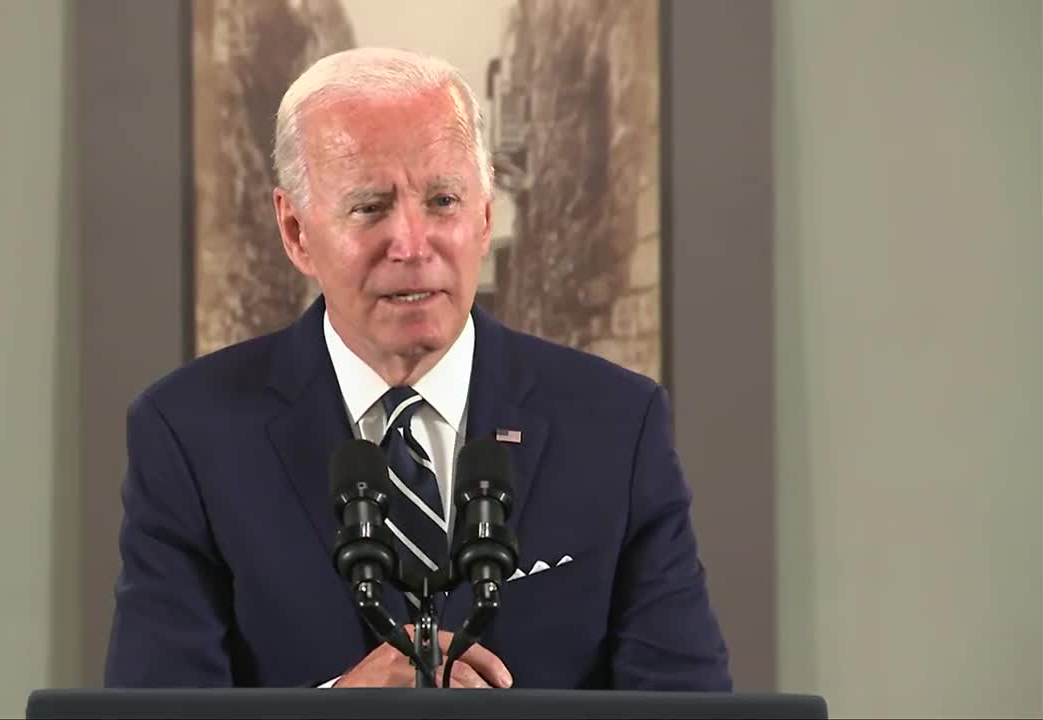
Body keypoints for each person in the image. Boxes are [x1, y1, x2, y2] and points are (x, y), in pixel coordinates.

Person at [103, 47, 730, 690]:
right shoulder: (189, 434)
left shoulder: (616, 427)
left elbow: (692, 707)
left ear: (484, 217)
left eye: (443, 200)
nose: (412, 244)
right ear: (295, 231)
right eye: (370, 206)